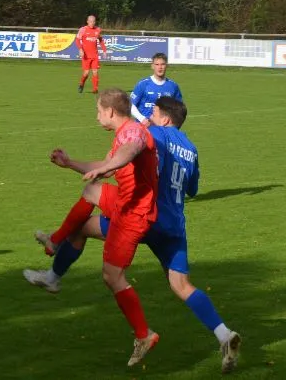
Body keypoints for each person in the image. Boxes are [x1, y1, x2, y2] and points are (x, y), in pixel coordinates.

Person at [24, 97, 241, 373]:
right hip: (174, 226)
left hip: (145, 217)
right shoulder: (191, 149)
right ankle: (224, 335)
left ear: (164, 118)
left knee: (87, 225)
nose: (149, 116)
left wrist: (99, 165)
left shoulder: (154, 134)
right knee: (181, 285)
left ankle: (54, 272)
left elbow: (125, 154)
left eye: (154, 112)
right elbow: (193, 190)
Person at [32, 88, 160, 366]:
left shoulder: (133, 132)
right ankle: (55, 244)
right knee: (91, 191)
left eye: (99, 111)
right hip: (124, 201)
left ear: (110, 111)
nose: (97, 116)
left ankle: (144, 335)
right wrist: (70, 163)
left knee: (112, 277)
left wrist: (105, 168)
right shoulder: (123, 133)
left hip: (134, 214)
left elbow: (130, 150)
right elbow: (109, 166)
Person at [130, 53, 183, 127]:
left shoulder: (173, 86)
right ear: (152, 66)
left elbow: (179, 109)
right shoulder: (143, 84)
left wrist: (174, 126)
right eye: (157, 64)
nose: (160, 67)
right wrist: (142, 119)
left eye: (162, 64)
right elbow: (130, 104)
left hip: (164, 129)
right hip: (143, 127)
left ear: (167, 66)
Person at [75, 15, 107, 94]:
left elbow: (101, 40)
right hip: (86, 56)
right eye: (90, 21)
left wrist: (104, 50)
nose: (92, 23)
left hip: (95, 55)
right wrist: (80, 49)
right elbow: (77, 40)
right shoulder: (83, 30)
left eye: (93, 21)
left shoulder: (98, 30)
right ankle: (81, 83)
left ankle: (95, 89)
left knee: (95, 72)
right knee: (86, 73)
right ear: (87, 21)